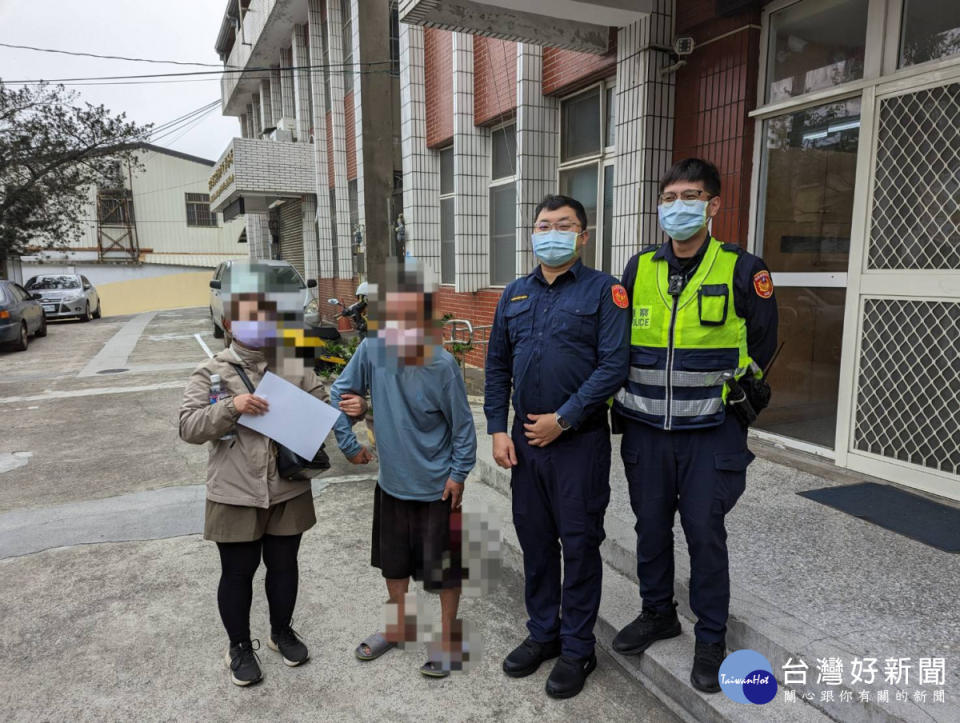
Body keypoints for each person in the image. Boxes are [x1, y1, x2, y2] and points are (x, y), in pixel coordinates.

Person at [610, 158, 778, 693]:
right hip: (645, 430)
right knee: (650, 527)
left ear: (714, 205)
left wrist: (733, 402)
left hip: (711, 434)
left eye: (691, 196)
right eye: (670, 197)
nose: (678, 206)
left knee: (705, 534)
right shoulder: (639, 269)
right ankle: (658, 612)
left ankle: (710, 639)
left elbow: (763, 346)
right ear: (659, 205)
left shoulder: (741, 268)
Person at [179, 263, 359, 687]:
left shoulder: (292, 364)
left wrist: (354, 410)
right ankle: (239, 646)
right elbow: (188, 426)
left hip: (287, 487)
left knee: (284, 567)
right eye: (247, 315)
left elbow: (323, 409)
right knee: (238, 573)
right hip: (234, 491)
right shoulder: (211, 372)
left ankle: (281, 631)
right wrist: (231, 408)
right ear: (229, 321)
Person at [484, 194, 630, 699]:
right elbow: (497, 364)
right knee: (538, 543)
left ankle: (577, 648)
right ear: (532, 233)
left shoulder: (604, 291)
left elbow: (614, 366)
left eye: (563, 226)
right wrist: (497, 429)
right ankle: (543, 634)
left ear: (582, 236)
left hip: (578, 447)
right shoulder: (514, 294)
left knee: (580, 544)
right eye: (543, 225)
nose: (552, 233)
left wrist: (564, 420)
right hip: (525, 445)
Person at [329, 261, 477, 678]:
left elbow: (463, 429)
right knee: (393, 564)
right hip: (391, 483)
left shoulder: (441, 365)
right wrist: (350, 443)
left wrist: (458, 475)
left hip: (437, 488)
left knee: (445, 570)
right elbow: (340, 393)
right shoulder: (372, 350)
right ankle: (398, 629)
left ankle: (449, 639)